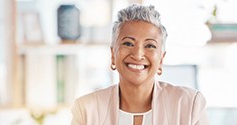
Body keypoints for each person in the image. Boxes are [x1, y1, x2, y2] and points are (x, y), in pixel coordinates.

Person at [71, 4, 209, 125]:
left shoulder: (189, 105)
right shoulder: (86, 109)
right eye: (128, 43)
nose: (137, 55)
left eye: (150, 45)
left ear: (161, 59)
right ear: (113, 55)